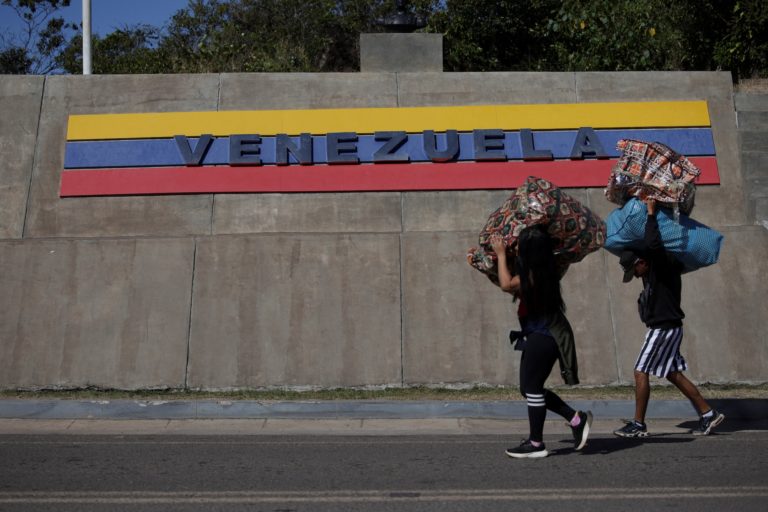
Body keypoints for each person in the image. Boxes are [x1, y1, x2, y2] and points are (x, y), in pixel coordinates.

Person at [614, 198, 725, 438]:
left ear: (642, 263)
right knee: (672, 373)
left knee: (640, 370)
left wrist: (652, 213)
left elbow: (654, 245)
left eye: (635, 270)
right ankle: (708, 414)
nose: (635, 276)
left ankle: (638, 424)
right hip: (669, 327)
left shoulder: (661, 266)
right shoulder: (650, 273)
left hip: (663, 328)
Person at [490, 226, 592, 459]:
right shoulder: (545, 268)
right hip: (539, 332)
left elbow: (506, 285)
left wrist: (502, 254)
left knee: (532, 388)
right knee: (528, 388)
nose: (516, 247)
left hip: (544, 334)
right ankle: (576, 419)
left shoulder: (535, 274)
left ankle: (536, 443)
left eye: (520, 245)